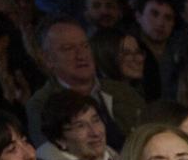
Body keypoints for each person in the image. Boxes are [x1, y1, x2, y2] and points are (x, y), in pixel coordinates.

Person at [28, 17, 142, 147]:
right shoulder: (41, 104)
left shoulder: (122, 91)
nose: (81, 55)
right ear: (48, 58)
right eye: (68, 48)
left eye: (85, 46)